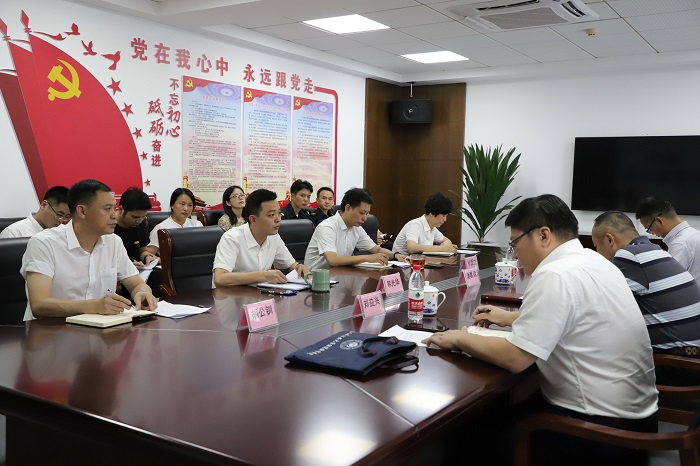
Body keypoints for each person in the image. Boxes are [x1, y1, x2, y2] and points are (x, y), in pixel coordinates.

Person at [423, 194, 657, 466]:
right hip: (638, 423)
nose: (515, 252)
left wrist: (459, 338)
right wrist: (512, 318)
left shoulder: (555, 274)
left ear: (543, 235)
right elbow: (576, 317)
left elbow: (516, 358)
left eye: (516, 242)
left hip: (599, 434)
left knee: (465, 438)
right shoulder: (594, 261)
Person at [20, 179, 157, 320]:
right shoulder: (43, 243)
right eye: (107, 209)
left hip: (101, 328)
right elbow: (39, 305)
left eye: (114, 208)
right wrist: (94, 306)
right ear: (82, 211)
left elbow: (136, 284)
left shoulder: (113, 242)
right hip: (50, 330)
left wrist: (142, 292)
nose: (114, 215)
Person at [592, 210, 700, 385]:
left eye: (596, 246)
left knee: (595, 367)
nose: (597, 253)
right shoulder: (657, 251)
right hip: (692, 361)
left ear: (610, 239)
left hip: (677, 365)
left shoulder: (627, 255)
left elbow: (600, 303)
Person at [213, 189, 309, 286]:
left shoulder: (274, 237)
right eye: (271, 215)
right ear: (253, 219)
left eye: (279, 213)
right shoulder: (232, 238)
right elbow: (220, 278)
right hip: (230, 294)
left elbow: (291, 265)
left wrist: (299, 267)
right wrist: (263, 276)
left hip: (260, 293)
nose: (278, 219)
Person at [304, 188, 404, 270]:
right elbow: (332, 260)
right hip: (314, 279)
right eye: (361, 213)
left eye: (367, 214)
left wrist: (396, 255)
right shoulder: (327, 227)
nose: (365, 218)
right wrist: (367, 258)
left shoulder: (356, 228)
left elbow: (376, 249)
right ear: (348, 208)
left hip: (339, 275)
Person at [636, 197, 700, 287]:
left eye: (648, 228)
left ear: (659, 221)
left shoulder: (680, 244)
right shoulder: (695, 234)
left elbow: (671, 282)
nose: (651, 233)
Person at [113, 187, 162, 298]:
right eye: (134, 217)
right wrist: (128, 264)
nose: (138, 221)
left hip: (139, 269)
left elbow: (142, 249)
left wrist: (146, 257)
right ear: (121, 209)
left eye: (143, 216)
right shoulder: (109, 226)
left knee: (160, 277)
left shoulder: (140, 223)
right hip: (119, 272)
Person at [392, 192, 457, 255]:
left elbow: (446, 240)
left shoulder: (432, 228)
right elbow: (412, 248)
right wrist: (442, 248)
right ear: (432, 213)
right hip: (401, 261)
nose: (445, 220)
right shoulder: (415, 225)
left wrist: (447, 246)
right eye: (443, 216)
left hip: (420, 260)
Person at [1, 186, 70, 238]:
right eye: (59, 214)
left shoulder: (64, 232)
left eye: (67, 216)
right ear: (44, 205)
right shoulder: (13, 233)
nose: (61, 220)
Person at [148, 187, 203, 251]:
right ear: (172, 205)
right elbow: (149, 253)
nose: (186, 209)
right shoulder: (161, 228)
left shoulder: (197, 225)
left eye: (190, 205)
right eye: (182, 204)